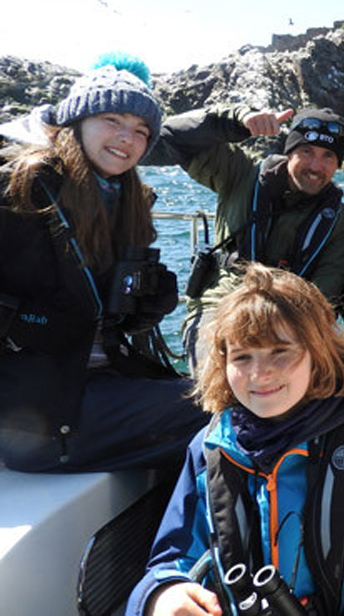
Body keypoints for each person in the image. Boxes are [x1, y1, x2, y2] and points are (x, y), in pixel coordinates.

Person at [126, 263, 344, 616]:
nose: (260, 373)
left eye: (281, 352)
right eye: (243, 357)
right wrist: (163, 595)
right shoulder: (210, 447)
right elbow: (173, 556)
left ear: (318, 354)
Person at [0, 56, 206, 472]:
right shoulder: (19, 189)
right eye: (113, 119)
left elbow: (93, 314)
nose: (127, 138)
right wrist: (31, 323)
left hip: (96, 381)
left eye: (141, 130)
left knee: (249, 395)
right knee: (237, 412)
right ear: (75, 122)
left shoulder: (123, 199)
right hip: (36, 416)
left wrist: (140, 308)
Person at [145, 105, 344, 371]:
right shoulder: (239, 174)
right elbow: (173, 135)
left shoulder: (343, 222)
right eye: (307, 151)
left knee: (332, 380)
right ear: (289, 151)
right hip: (221, 306)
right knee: (222, 373)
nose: (316, 166)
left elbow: (324, 294)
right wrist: (236, 121)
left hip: (291, 320)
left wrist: (276, 333)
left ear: (338, 164)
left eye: (328, 156)